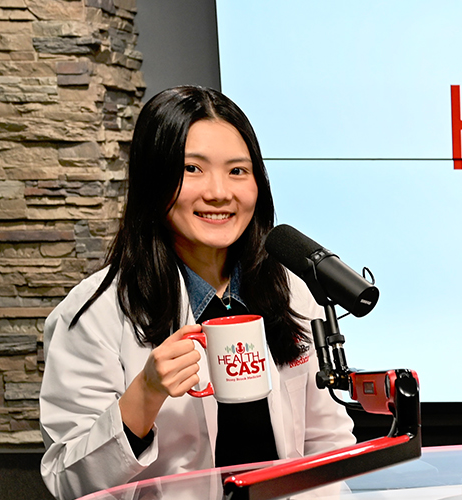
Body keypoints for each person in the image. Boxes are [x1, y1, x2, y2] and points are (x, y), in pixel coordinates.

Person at [39, 86, 354, 498]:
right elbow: (68, 482)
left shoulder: (290, 290)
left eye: (238, 171)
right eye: (193, 169)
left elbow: (326, 444)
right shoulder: (94, 312)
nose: (219, 192)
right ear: (154, 180)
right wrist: (146, 394)